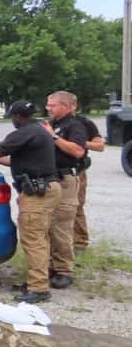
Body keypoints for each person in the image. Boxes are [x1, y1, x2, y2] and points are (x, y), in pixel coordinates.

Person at [0, 101, 60, 303]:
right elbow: (16, 159)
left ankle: (39, 288)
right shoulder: (38, 131)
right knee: (40, 238)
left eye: (12, 117)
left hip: (38, 193)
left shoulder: (23, 133)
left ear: (17, 116)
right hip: (47, 188)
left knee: (33, 240)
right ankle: (37, 280)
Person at [41, 91, 87, 290]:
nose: (48, 108)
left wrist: (52, 137)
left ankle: (64, 271)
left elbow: (78, 151)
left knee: (61, 226)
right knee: (49, 225)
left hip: (66, 180)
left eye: (52, 105)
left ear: (67, 106)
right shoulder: (56, 124)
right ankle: (52, 266)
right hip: (53, 178)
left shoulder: (74, 125)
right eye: (48, 105)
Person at [71, 95, 105, 254]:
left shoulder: (84, 123)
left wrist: (78, 143)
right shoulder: (51, 124)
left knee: (76, 206)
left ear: (73, 106)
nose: (49, 108)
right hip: (56, 171)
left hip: (77, 171)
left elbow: (100, 146)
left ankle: (80, 242)